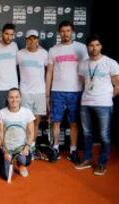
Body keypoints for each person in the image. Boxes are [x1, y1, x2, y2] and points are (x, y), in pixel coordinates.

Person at [75, 35, 119, 175]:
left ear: (101, 46)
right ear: (87, 47)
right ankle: (87, 159)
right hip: (86, 102)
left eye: (97, 45)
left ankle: (102, 163)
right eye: (91, 45)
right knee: (87, 133)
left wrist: (107, 97)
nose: (94, 48)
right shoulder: (82, 64)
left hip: (104, 104)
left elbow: (117, 85)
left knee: (104, 135)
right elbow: (83, 82)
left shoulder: (110, 63)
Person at [46, 20, 88, 163]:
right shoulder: (53, 50)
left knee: (74, 123)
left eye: (68, 31)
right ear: (59, 33)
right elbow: (49, 72)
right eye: (63, 31)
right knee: (56, 122)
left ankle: (73, 151)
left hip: (76, 91)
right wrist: (47, 93)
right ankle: (56, 148)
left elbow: (87, 70)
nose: (65, 34)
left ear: (72, 32)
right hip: (57, 91)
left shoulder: (82, 48)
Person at [16, 30, 48, 152]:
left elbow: (49, 71)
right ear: (26, 40)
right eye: (29, 38)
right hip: (24, 92)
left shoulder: (44, 54)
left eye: (34, 38)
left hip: (39, 92)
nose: (32, 41)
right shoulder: (19, 54)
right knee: (24, 121)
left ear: (38, 40)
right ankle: (22, 146)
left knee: (36, 121)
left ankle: (32, 146)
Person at [0, 88, 35, 179]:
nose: (14, 100)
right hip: (7, 149)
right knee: (6, 176)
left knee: (25, 160)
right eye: (11, 97)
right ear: (7, 98)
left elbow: (31, 133)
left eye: (16, 97)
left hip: (21, 148)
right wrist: (5, 151)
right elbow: (1, 133)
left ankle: (21, 165)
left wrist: (26, 147)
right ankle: (6, 161)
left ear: (20, 98)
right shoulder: (1, 113)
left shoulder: (27, 112)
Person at [0, 23, 18, 109]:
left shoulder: (14, 46)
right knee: (0, 115)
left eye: (11, 35)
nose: (9, 37)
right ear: (2, 33)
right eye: (6, 34)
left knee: (14, 115)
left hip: (13, 88)